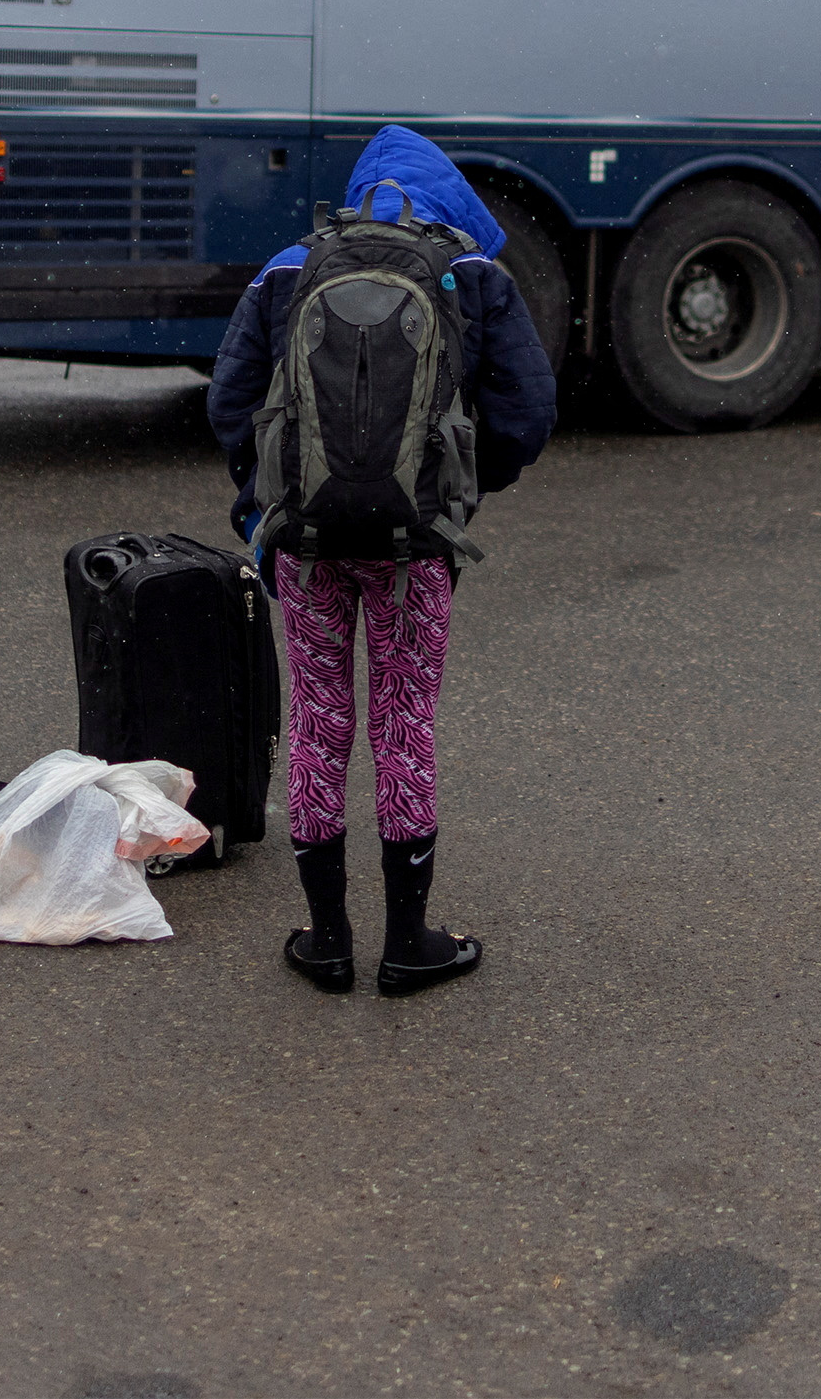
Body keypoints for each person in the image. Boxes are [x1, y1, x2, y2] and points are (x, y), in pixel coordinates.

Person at [207, 126, 557, 996]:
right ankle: (409, 943)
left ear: (363, 190)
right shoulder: (471, 276)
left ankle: (326, 940)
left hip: (305, 542)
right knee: (404, 724)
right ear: (443, 196)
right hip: (415, 549)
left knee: (320, 719)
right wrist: (459, 491)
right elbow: (529, 410)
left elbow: (229, 400)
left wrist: (267, 497)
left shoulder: (290, 267)